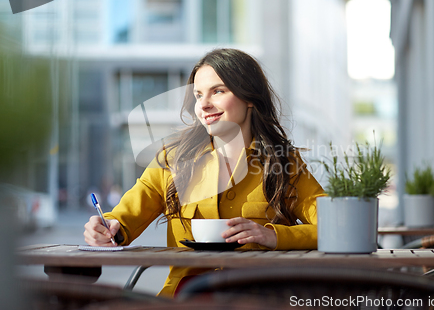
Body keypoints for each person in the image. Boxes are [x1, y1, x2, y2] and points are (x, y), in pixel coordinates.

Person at [83, 48, 324, 298]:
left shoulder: (283, 162)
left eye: (218, 91)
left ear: (250, 98)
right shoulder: (171, 159)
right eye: (198, 95)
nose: (204, 105)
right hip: (188, 297)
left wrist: (273, 236)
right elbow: (122, 220)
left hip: (259, 295)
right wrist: (106, 228)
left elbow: (332, 227)